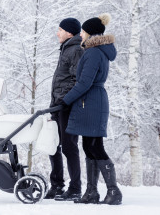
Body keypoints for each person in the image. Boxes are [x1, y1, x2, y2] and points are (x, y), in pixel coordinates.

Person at [61, 13, 122, 205]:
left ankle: (114, 191)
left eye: (84, 31)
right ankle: (92, 192)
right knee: (89, 145)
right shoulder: (96, 51)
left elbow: (85, 82)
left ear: (90, 33)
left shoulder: (94, 52)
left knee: (95, 146)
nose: (82, 35)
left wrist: (66, 100)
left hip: (92, 102)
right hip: (91, 101)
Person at [44, 18, 84, 201]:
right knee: (53, 144)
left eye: (60, 29)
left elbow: (78, 79)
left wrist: (65, 101)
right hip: (58, 105)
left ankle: (75, 188)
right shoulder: (66, 49)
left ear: (69, 32)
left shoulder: (75, 50)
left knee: (69, 146)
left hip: (67, 106)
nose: (56, 33)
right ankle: (57, 185)